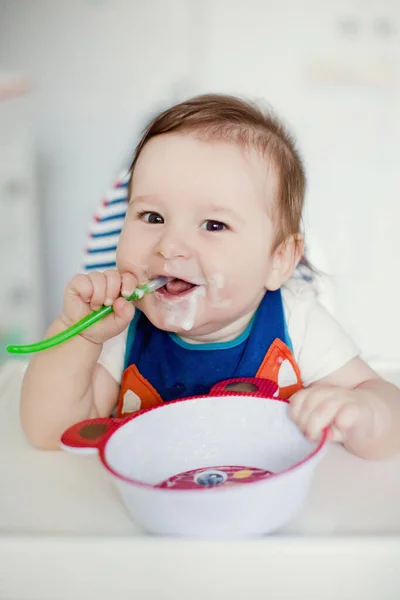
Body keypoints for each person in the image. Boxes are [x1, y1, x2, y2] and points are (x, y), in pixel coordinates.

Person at [20, 94, 400, 459]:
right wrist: (79, 333)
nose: (170, 246)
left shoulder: (298, 321)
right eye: (153, 218)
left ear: (278, 261)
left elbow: (386, 410)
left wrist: (363, 413)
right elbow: (52, 432)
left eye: (213, 224)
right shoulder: (120, 326)